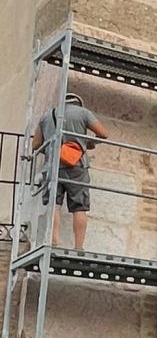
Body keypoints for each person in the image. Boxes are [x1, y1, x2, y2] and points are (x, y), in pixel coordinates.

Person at [31, 92, 109, 251]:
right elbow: (103, 134)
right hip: (76, 166)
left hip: (52, 167)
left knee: (54, 204)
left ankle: (53, 242)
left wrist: (54, 151)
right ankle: (78, 247)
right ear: (78, 103)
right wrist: (86, 143)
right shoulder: (83, 113)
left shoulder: (47, 115)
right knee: (79, 207)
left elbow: (36, 145)